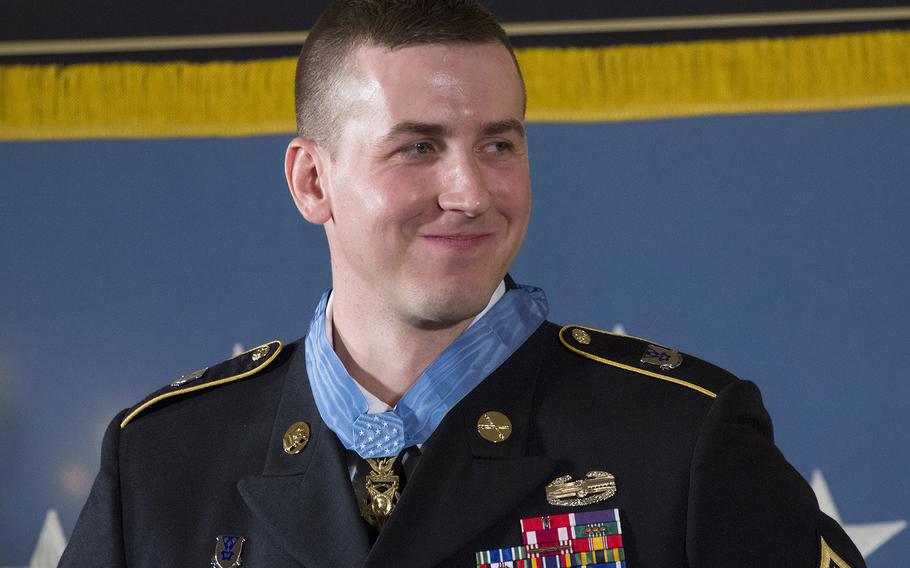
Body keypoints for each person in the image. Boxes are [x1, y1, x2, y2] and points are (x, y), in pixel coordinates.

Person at [60, 1, 865, 567]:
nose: (473, 193)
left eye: (499, 146)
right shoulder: (162, 461)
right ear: (313, 182)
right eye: (418, 147)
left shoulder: (683, 442)